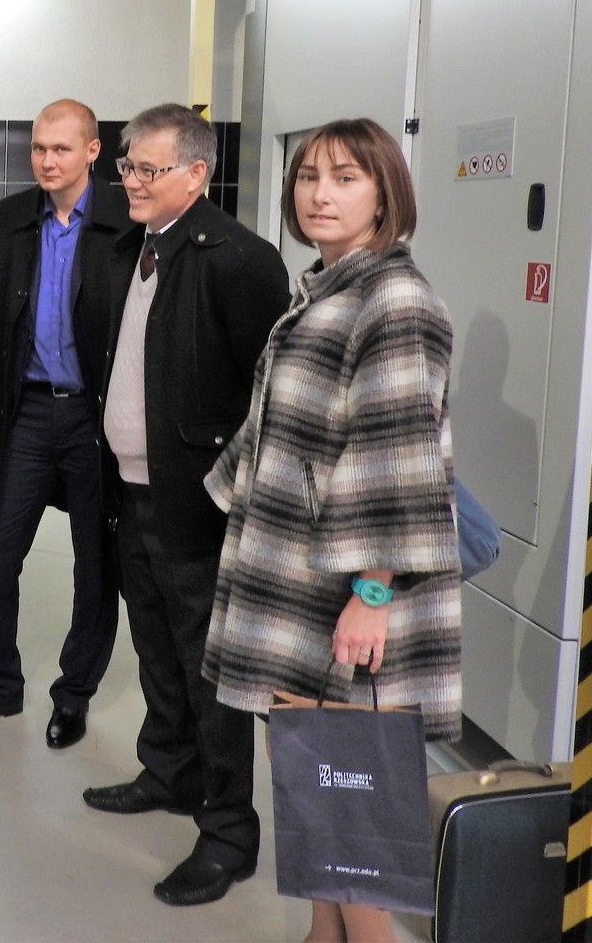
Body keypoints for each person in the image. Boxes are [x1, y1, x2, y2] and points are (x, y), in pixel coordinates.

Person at [203, 117, 461, 943]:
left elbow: (397, 456)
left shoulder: (394, 299)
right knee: (304, 766)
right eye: (310, 176)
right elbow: (279, 427)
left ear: (386, 194)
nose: (321, 193)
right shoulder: (324, 287)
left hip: (348, 590)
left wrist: (374, 595)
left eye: (346, 178)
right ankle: (323, 933)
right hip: (293, 573)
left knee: (347, 788)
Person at [82, 103, 290, 907]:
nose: (131, 181)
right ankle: (169, 772)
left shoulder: (238, 261)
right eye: (127, 166)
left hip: (199, 504)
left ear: (196, 174)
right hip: (130, 490)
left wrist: (232, 499)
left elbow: (265, 402)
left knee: (213, 674)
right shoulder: (129, 250)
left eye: (148, 168)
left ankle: (230, 831)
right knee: (156, 648)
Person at [0, 98, 128, 748]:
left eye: (61, 149)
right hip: (23, 411)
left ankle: (74, 694)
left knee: (95, 563)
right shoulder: (6, 221)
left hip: (95, 420)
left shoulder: (127, 223)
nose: (47, 161)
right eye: (39, 148)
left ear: (93, 151)